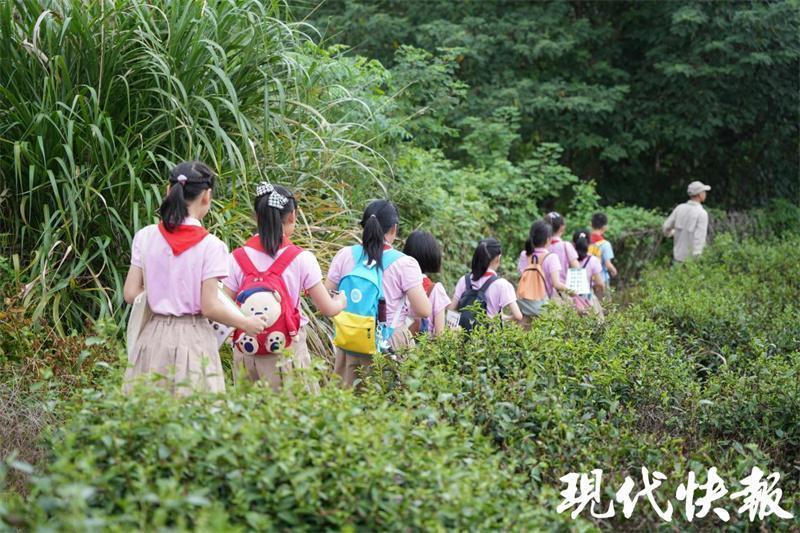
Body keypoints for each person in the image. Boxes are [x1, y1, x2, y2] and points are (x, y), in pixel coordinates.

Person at [122, 161, 269, 396]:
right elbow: (209, 307)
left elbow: (130, 294)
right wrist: (246, 323)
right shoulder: (212, 246)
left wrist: (164, 295)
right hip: (192, 339)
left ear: (169, 190)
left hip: (152, 336)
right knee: (194, 409)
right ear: (207, 196)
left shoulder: (145, 236)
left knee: (147, 410)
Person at [222, 183, 346, 391]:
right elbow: (328, 309)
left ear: (257, 216)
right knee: (295, 407)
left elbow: (224, 304)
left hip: (247, 352)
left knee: (248, 409)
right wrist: (340, 301)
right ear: (292, 216)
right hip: (287, 350)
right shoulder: (302, 259)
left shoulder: (236, 258)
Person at [325, 200, 432, 387]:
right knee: (388, 397)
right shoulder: (404, 263)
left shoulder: (345, 255)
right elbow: (424, 310)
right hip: (388, 341)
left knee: (347, 397)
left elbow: (327, 294)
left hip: (349, 338)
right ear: (394, 228)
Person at [450, 238, 523, 326]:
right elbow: (518, 316)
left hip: (464, 332)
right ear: (498, 258)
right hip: (489, 333)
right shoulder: (502, 284)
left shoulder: (464, 280)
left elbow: (451, 308)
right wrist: (504, 318)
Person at [402, 230, 451, 336]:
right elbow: (439, 334)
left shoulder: (398, 283)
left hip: (397, 341)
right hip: (422, 346)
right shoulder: (435, 290)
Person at [518, 221, 573, 312]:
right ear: (548, 239)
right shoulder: (551, 257)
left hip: (525, 302)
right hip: (542, 304)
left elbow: (522, 275)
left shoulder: (524, 254)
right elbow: (556, 284)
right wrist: (571, 291)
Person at [662, 181, 711, 263]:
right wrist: (698, 259)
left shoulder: (679, 208)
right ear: (700, 194)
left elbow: (665, 227)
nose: (705, 194)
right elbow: (699, 238)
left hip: (677, 257)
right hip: (692, 261)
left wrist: (671, 233)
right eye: (704, 192)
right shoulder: (702, 213)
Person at [572, 229, 605, 316]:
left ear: (573, 244)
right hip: (587, 299)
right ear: (589, 244)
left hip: (570, 301)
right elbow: (600, 283)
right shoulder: (593, 260)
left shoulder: (569, 260)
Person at [543, 211, 580, 282]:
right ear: (562, 227)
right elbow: (577, 268)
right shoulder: (566, 246)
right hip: (563, 287)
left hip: (543, 288)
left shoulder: (540, 246)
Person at [589, 212, 617, 286]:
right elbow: (608, 264)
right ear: (605, 227)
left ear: (590, 225)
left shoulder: (585, 241)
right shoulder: (605, 244)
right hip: (602, 279)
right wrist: (614, 271)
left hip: (588, 279)